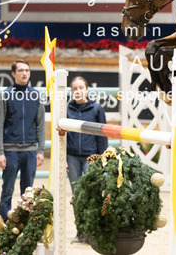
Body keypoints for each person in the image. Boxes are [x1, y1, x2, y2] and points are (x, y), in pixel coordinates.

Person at [0, 59, 45, 222]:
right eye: (21, 70)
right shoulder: (5, 95)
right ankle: (3, 223)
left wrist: (41, 150)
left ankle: (25, 223)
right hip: (10, 151)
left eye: (27, 70)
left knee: (28, 192)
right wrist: (0, 152)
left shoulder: (36, 96)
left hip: (30, 151)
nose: (25, 73)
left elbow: (41, 125)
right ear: (13, 74)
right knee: (7, 190)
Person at [58, 76, 108, 243]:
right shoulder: (66, 109)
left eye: (81, 88)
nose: (78, 91)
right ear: (71, 91)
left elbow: (102, 136)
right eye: (75, 89)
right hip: (72, 157)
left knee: (91, 194)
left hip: (91, 158)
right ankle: (81, 232)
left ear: (87, 89)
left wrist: (102, 159)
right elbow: (61, 136)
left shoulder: (97, 109)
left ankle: (93, 231)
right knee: (77, 195)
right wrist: (63, 158)